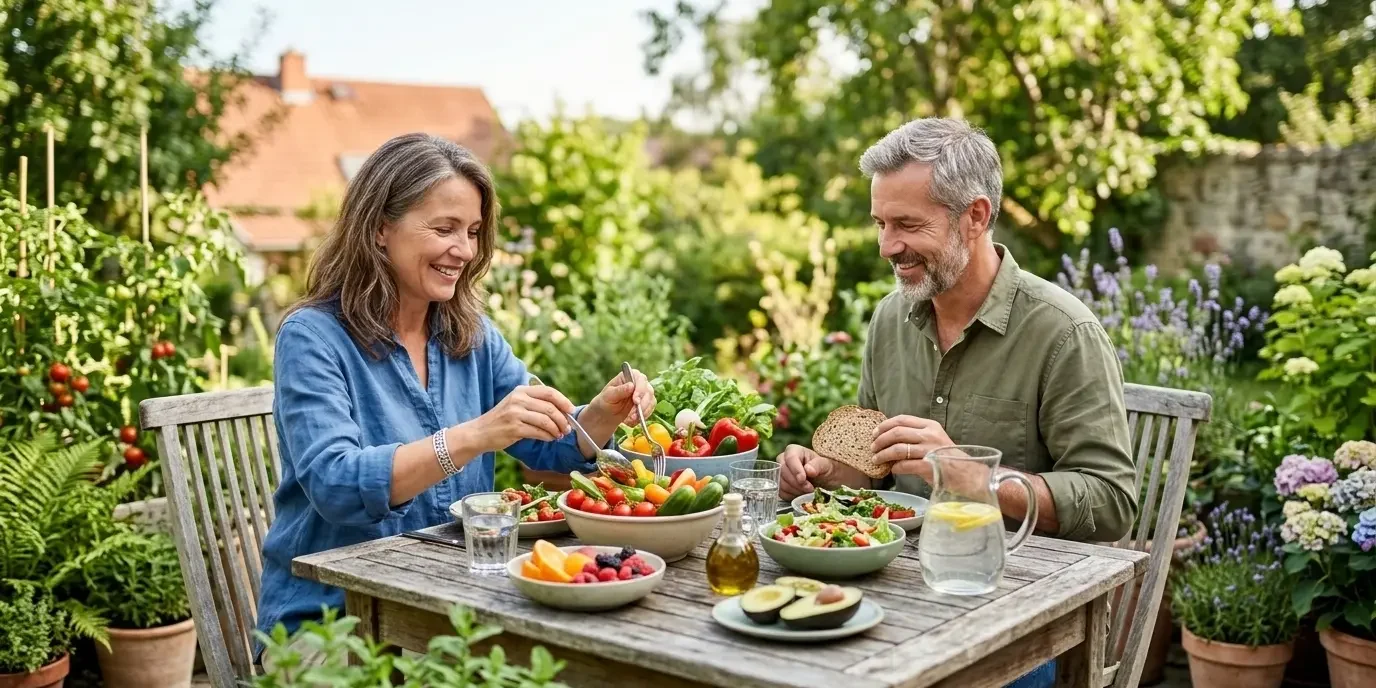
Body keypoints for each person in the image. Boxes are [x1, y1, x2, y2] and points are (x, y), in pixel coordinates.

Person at [254, 133, 655, 655]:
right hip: (333, 621)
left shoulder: (470, 332)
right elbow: (336, 484)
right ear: (379, 229)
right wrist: (472, 436)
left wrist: (600, 413)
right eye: (443, 229)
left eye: (471, 231)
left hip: (453, 607)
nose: (464, 250)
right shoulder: (314, 337)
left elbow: (547, 446)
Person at [780, 116, 1137, 688]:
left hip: (1014, 616)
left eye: (907, 224)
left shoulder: (1063, 332)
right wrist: (821, 470)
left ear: (975, 216)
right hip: (893, 596)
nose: (887, 246)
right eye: (880, 223)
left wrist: (972, 477)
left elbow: (1112, 499)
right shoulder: (890, 318)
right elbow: (872, 466)